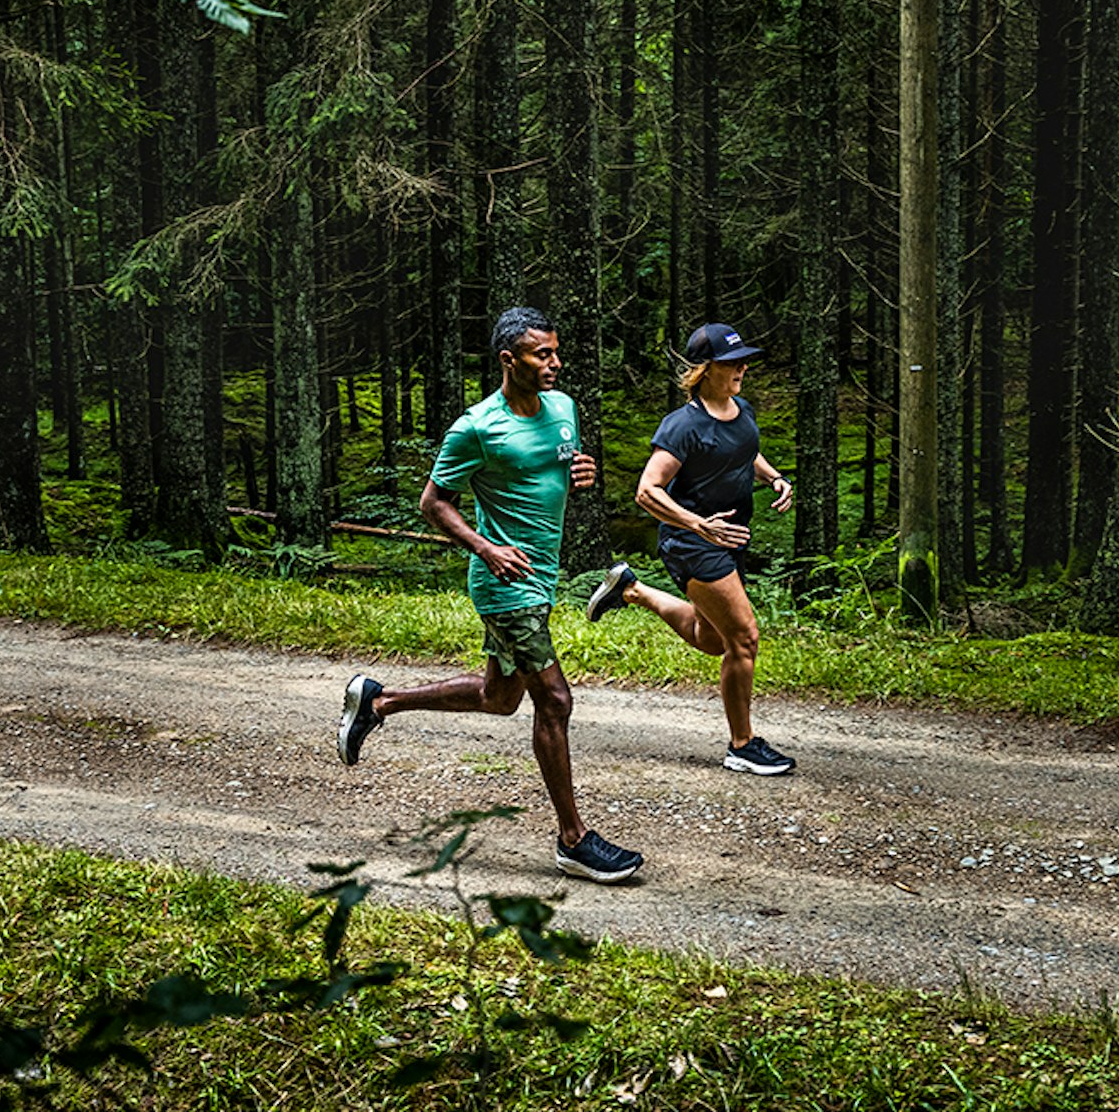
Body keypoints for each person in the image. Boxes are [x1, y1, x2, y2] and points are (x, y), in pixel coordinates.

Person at [336, 307, 644, 884]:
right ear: (509, 360)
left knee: (499, 697)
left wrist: (580, 473)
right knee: (553, 700)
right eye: (542, 355)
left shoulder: (563, 409)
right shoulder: (476, 426)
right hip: (505, 584)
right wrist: (486, 548)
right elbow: (434, 503)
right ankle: (573, 840)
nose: (555, 363)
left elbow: (554, 468)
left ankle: (378, 703)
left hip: (542, 576)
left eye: (555, 351)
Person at [584, 322, 795, 776]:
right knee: (744, 638)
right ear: (704, 370)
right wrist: (699, 525)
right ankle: (743, 744)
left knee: (711, 638)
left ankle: (632, 591)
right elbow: (647, 491)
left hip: (731, 535)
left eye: (743, 360)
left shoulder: (742, 409)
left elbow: (744, 451)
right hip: (691, 542)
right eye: (731, 362)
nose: (742, 368)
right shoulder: (682, 426)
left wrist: (775, 477)